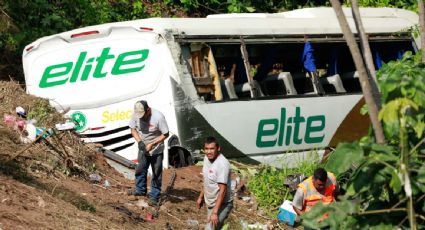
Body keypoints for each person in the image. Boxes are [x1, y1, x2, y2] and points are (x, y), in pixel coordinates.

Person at [127, 100, 169, 206]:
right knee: (140, 169)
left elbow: (165, 134)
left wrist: (153, 144)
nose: (141, 118)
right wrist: (140, 142)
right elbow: (133, 130)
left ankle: (154, 196)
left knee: (156, 173)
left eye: (143, 115)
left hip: (156, 149)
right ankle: (140, 189)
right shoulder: (136, 115)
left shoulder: (158, 117)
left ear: (148, 110)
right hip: (143, 148)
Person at [197, 136, 233, 230]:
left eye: (212, 149)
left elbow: (223, 190)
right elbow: (207, 180)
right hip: (211, 202)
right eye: (206, 149)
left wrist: (215, 213)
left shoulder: (222, 164)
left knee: (210, 228)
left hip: (223, 204)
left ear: (218, 148)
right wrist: (201, 197)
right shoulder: (206, 158)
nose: (209, 152)